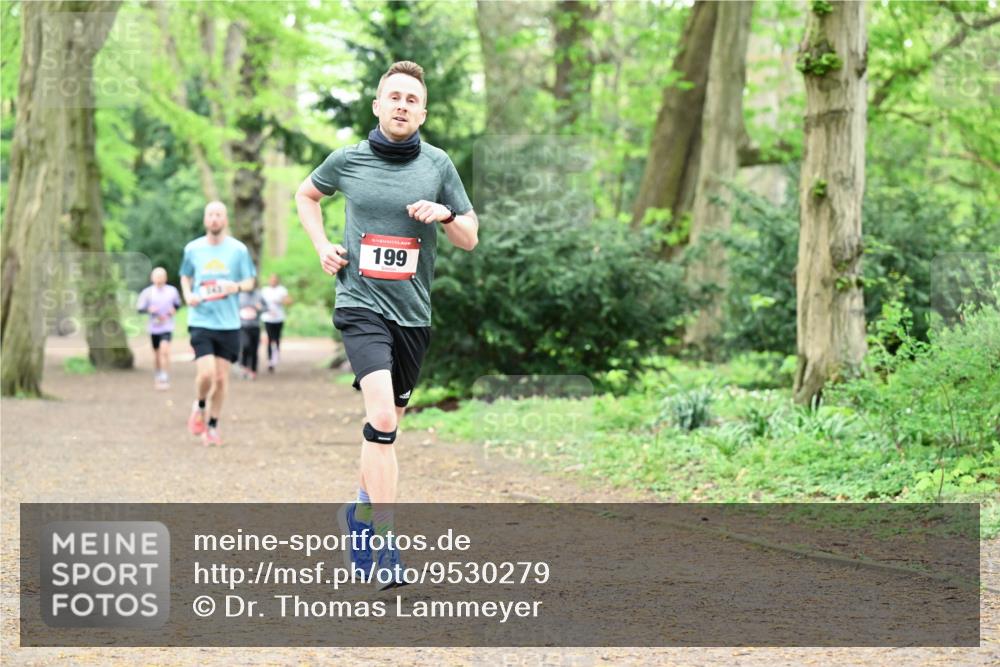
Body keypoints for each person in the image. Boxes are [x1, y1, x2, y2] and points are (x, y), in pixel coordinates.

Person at [295, 60, 478, 590]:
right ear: (377, 105)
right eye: (393, 96)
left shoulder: (439, 165)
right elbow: (307, 195)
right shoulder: (348, 160)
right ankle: (386, 543)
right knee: (381, 415)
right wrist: (321, 245)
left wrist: (444, 214)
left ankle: (358, 513)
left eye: (411, 99)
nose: (401, 105)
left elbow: (470, 235)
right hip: (360, 304)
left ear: (422, 112)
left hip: (413, 313)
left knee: (385, 431)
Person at [179, 201, 256, 446]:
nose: (214, 219)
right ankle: (199, 405)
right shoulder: (193, 249)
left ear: (225, 219)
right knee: (206, 374)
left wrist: (237, 286)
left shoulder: (238, 250)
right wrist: (188, 294)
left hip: (229, 323)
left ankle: (212, 425)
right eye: (210, 215)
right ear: (205, 219)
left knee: (221, 380)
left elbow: (250, 281)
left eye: (219, 215)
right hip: (201, 320)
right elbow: (185, 275)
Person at [136, 267, 182, 390]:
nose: (159, 279)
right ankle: (158, 373)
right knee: (157, 354)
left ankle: (164, 376)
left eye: (161, 276)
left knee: (164, 351)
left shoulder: (172, 291)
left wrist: (173, 310)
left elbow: (178, 304)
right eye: (156, 276)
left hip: (167, 326)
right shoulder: (147, 292)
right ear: (152, 278)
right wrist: (148, 310)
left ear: (165, 278)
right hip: (154, 327)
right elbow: (139, 308)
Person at [260, 273, 292, 373]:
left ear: (277, 280)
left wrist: (280, 301)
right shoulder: (264, 290)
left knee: (277, 338)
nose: (273, 281)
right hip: (267, 318)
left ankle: (276, 354)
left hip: (279, 318)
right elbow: (259, 302)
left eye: (275, 279)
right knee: (269, 339)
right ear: (269, 280)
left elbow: (289, 301)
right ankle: (270, 361)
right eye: (271, 279)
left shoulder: (282, 290)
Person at [238, 288, 265, 380]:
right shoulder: (240, 295)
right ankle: (244, 366)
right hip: (243, 326)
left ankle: (253, 370)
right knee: (245, 346)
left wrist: (260, 308)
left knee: (254, 349)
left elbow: (266, 307)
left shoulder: (259, 294)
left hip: (255, 326)